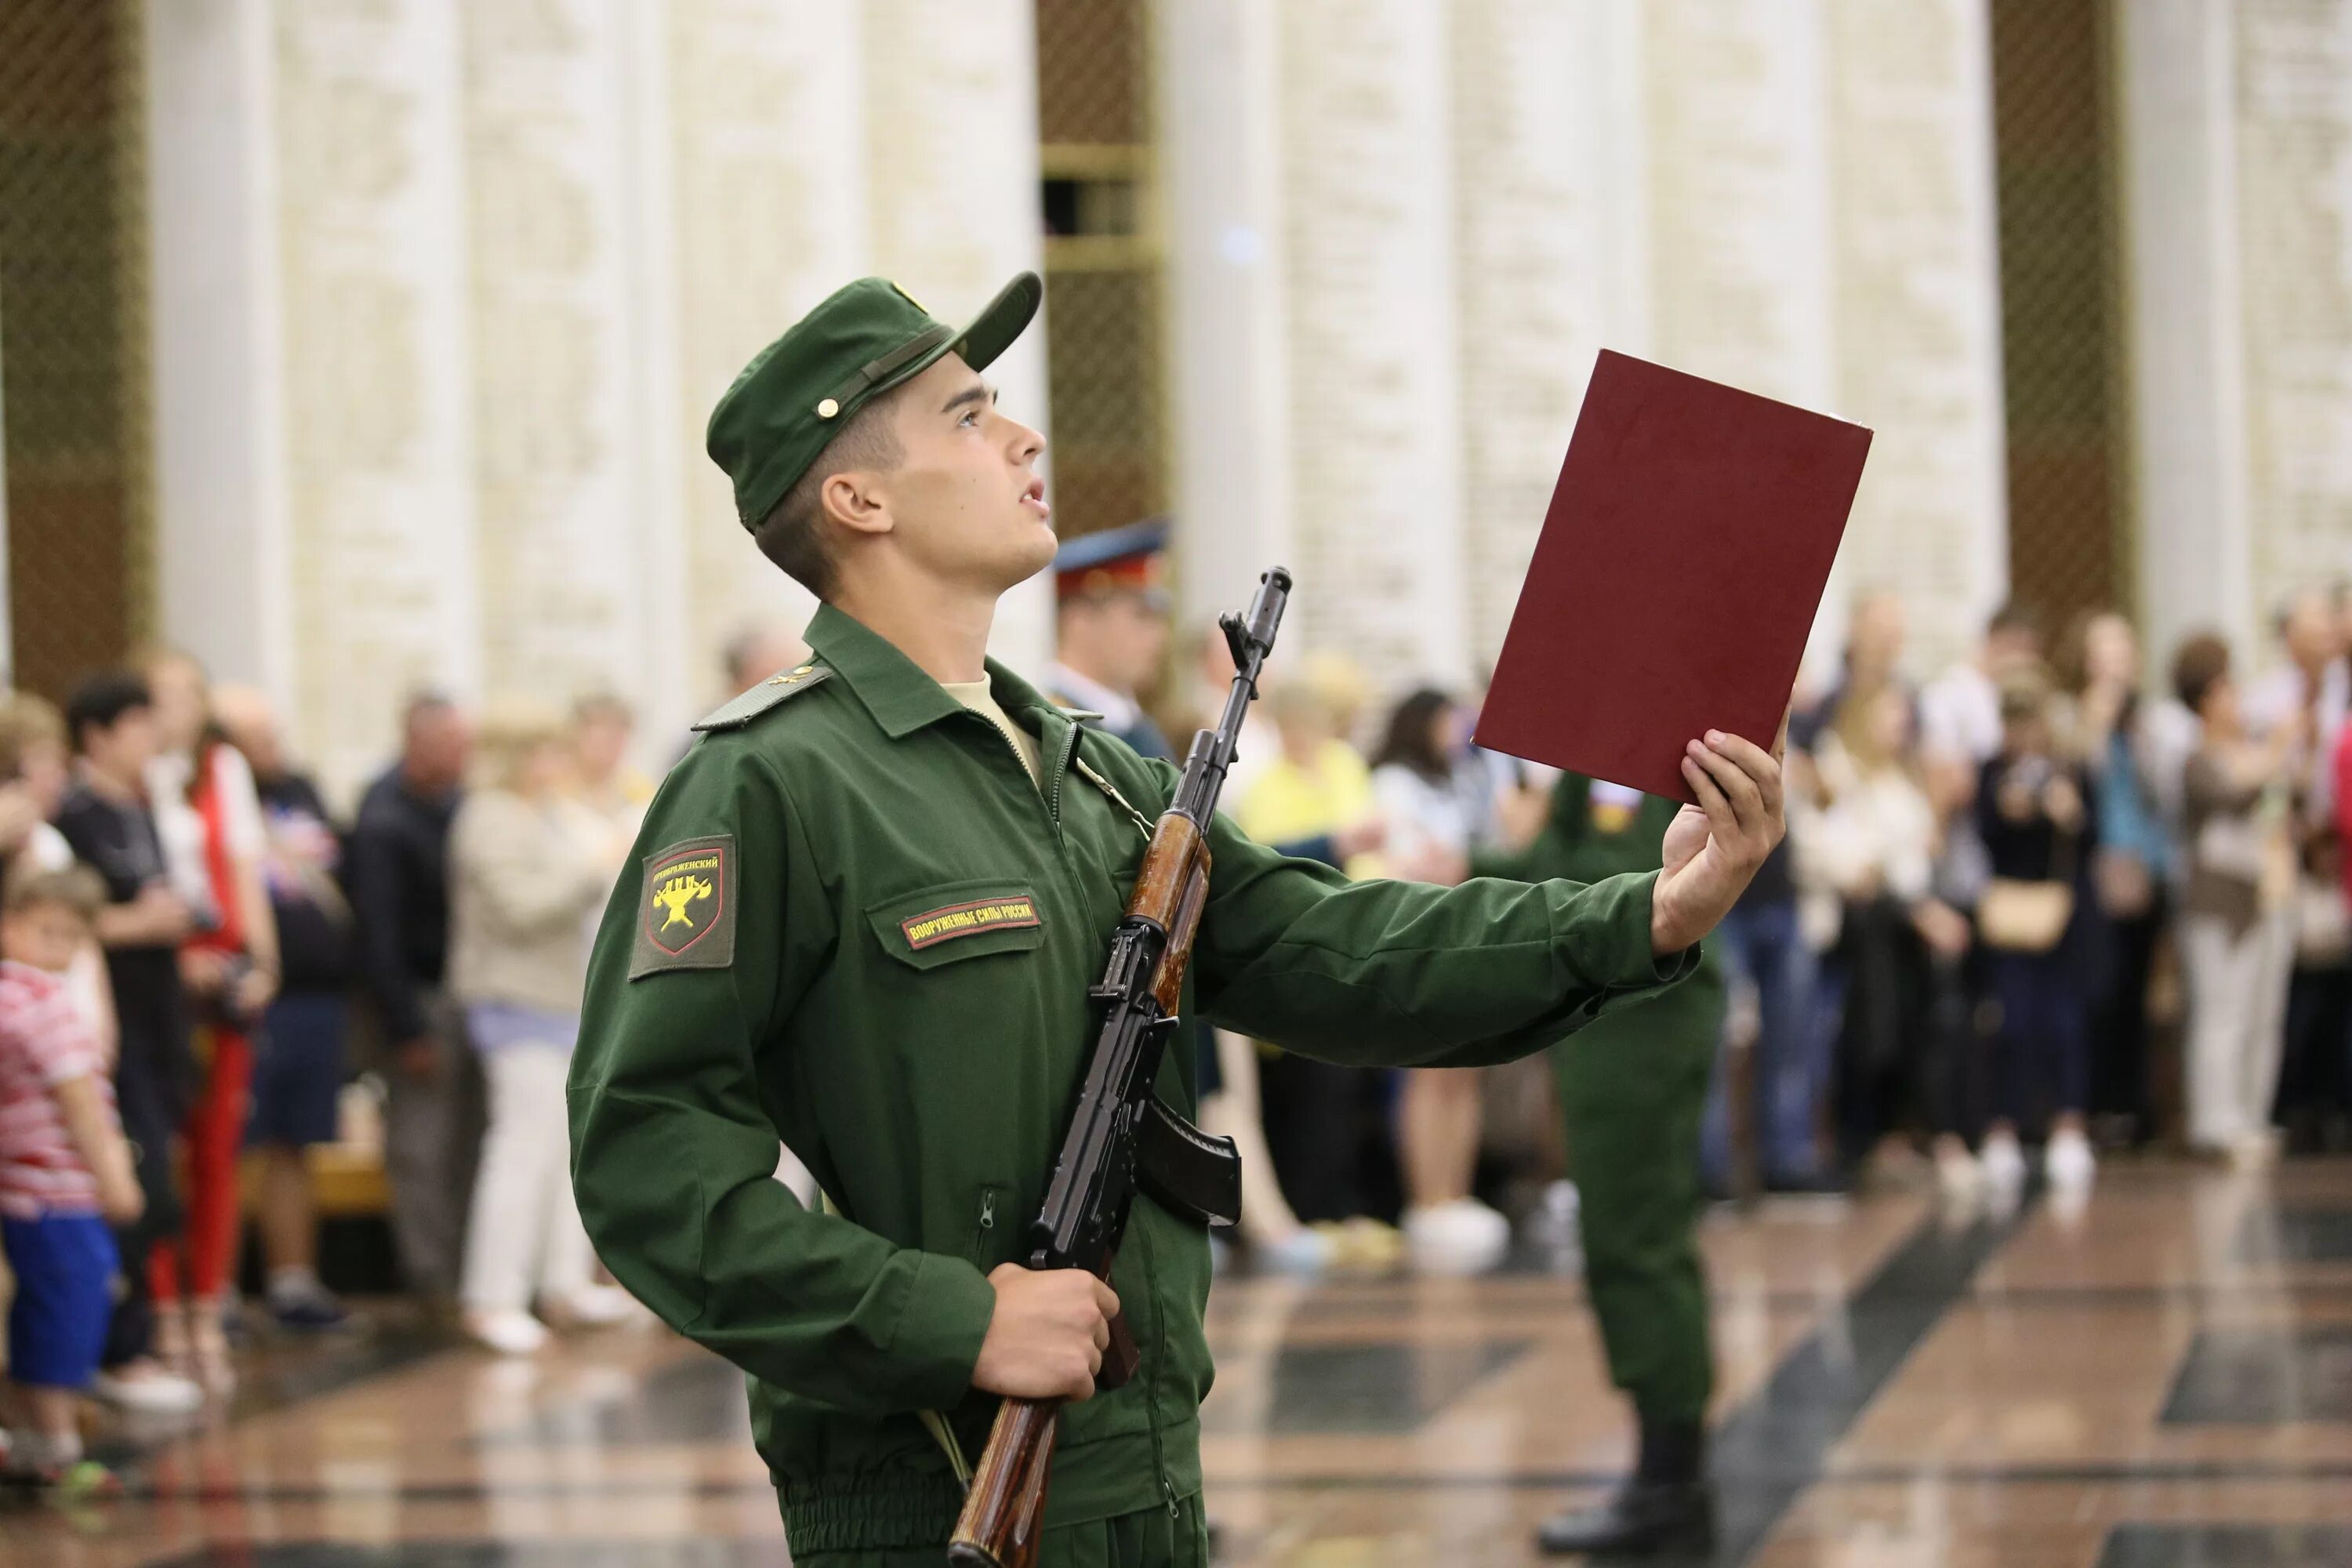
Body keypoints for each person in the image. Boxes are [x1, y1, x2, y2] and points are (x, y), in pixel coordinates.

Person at [566, 273, 1784, 1567]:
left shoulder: (1087, 772)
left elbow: (1335, 948)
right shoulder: (769, 779)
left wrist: (1642, 916)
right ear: (859, 499)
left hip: (1144, 1470)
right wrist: (941, 1318)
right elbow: (647, 1158)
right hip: (933, 1490)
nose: (1025, 438)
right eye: (970, 418)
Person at [1473, 771, 1726, 1555]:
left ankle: (1669, 1482)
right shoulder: (1606, 737)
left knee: (1638, 1241)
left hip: (1642, 1021)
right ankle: (1665, 1474)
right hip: (1620, 1017)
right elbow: (1567, 855)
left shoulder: (1644, 733)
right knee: (1628, 1238)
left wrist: (1487, 868)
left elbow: (1626, 878)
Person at [448, 705, 634, 1354]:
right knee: (520, 1151)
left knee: (567, 1150)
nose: (559, 765)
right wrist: (594, 867)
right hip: (515, 1002)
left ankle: (563, 1283)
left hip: (564, 1003)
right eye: (546, 753)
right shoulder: (489, 817)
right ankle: (492, 1297)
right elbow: (520, 907)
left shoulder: (547, 814)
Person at [53, 673, 202, 1414]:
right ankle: (121, 1349)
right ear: (97, 734)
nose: (152, 739)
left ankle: (138, 1337)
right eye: (138, 725)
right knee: (132, 1186)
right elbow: (62, 922)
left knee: (160, 1184)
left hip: (159, 1019)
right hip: (106, 1030)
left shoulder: (138, 808)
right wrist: (137, 925)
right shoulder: (73, 817)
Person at [141, 649, 280, 1393]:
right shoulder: (137, 777)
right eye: (162, 697)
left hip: (220, 968)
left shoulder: (219, 768)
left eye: (189, 695)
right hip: (161, 972)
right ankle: (162, 1314)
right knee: (160, 1147)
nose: (177, 709)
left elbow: (244, 867)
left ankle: (207, 1306)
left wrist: (264, 960)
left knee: (219, 1149)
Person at [214, 684, 356, 1330]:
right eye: (256, 737)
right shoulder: (213, 803)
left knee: (297, 1142)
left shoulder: (301, 790)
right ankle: (218, 1291)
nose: (273, 747)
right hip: (249, 1001)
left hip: (315, 998)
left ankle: (293, 1282)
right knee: (233, 1142)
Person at [0, 866, 143, 1492]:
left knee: (36, 1309)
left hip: (19, 1189)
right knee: (70, 1309)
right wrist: (115, 1178)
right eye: (43, 930)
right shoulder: (46, 1003)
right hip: (61, 1192)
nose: (54, 947)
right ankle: (58, 1447)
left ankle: (32, 1440)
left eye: (69, 936)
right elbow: (79, 1100)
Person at [1370, 688, 1512, 1274]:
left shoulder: (1463, 778)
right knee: (1429, 1072)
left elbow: (1491, 839)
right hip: (1420, 925)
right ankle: (1427, 1201)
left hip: (1469, 925)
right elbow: (1407, 853)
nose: (1457, 732)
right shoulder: (1392, 781)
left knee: (1466, 1068)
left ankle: (1456, 1193)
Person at [347, 692, 477, 1304]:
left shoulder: (457, 805)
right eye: (454, 745)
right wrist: (406, 1029)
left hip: (460, 993)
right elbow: (379, 934)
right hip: (416, 1001)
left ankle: (466, 1268)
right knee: (421, 1147)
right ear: (418, 743)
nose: (464, 757)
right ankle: (431, 1277)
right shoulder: (383, 820)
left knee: (466, 1140)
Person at [2173, 634, 2302, 1161]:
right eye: (2228, 688)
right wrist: (2276, 751)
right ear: (2206, 698)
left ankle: (2251, 1114)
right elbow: (2233, 797)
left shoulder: (2249, 751)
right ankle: (2215, 1121)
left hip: (2267, 893)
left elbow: (2275, 805)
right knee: (2221, 1011)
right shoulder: (2198, 760)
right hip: (2218, 903)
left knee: (2262, 1012)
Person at [1974, 673, 2098, 1203]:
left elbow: (2089, 838)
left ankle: (2070, 1126)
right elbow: (1985, 829)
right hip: (2009, 913)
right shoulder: (1992, 773)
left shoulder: (2069, 771)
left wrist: (2067, 811)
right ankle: (2005, 1127)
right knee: (2012, 1022)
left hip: (2061, 916)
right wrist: (2008, 808)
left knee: (2065, 1023)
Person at [1044, 518, 1176, 760]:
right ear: (1079, 620)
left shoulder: (1132, 725)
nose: (1160, 636)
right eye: (1141, 616)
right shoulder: (1053, 725)